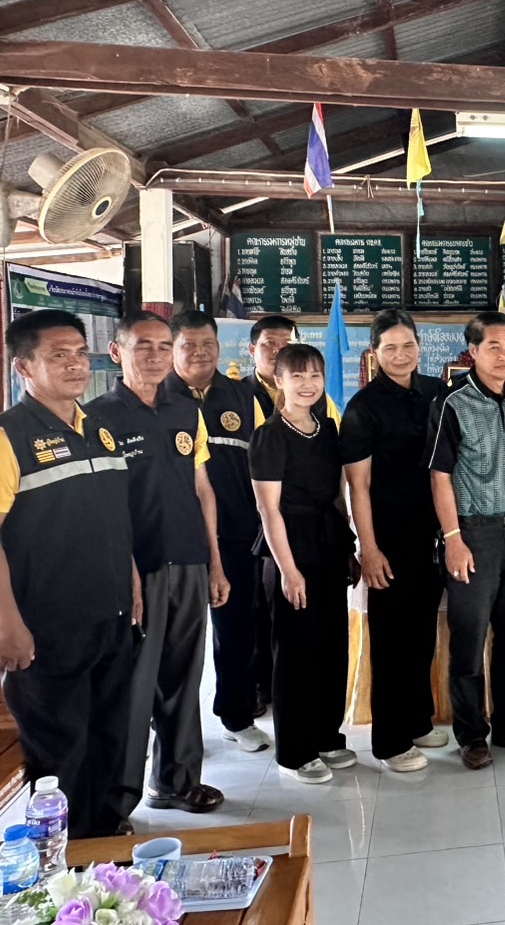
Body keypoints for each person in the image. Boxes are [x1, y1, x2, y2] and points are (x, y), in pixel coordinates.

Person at [0, 310, 138, 839]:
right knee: (60, 750)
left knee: (110, 737)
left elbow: (112, 519)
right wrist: (7, 623)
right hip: (46, 627)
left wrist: (130, 579)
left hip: (110, 616)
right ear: (24, 367)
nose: (75, 364)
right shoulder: (1, 439)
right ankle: (64, 858)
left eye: (80, 353)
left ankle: (104, 839)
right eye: (59, 356)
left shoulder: (98, 429)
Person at [87, 312, 229, 819]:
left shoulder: (185, 410)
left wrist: (215, 563)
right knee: (134, 684)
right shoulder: (96, 418)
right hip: (136, 568)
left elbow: (203, 488)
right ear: (117, 352)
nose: (155, 356)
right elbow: (102, 510)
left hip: (189, 559)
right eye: (142, 346)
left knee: (185, 677)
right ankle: (116, 803)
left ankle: (177, 782)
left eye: (164, 346)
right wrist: (125, 572)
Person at [428, 311, 505, 770]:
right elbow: (439, 475)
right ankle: (472, 734)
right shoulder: (451, 403)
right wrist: (453, 539)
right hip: (472, 533)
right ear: (472, 352)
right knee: (470, 639)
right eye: (493, 346)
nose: (504, 355)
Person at [341, 309, 447, 774]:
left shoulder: (436, 392)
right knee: (392, 640)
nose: (401, 355)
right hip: (389, 538)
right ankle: (390, 740)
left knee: (422, 634)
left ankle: (418, 719)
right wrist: (369, 548)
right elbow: (358, 486)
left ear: (419, 347)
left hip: (434, 534)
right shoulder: (363, 408)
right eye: (390, 348)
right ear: (375, 352)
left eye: (408, 346)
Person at [249, 344, 357, 784]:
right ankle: (295, 752)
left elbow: (338, 494)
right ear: (279, 381)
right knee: (295, 652)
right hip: (289, 547)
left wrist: (347, 547)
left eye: (315, 375)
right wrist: (289, 571)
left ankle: (327, 736)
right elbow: (268, 509)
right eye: (297, 376)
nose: (308, 384)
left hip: (328, 543)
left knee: (331, 646)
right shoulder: (270, 435)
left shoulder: (327, 428)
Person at [166, 309, 272, 755]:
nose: (200, 352)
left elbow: (264, 463)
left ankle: (236, 715)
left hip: (236, 533)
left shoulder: (242, 396)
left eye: (207, 343)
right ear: (173, 349)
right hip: (173, 539)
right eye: (188, 345)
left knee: (237, 630)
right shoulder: (158, 396)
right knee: (174, 638)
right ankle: (172, 730)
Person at [245, 315, 343, 423]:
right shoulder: (240, 393)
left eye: (287, 344)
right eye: (270, 343)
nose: (278, 350)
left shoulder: (314, 394)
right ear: (252, 350)